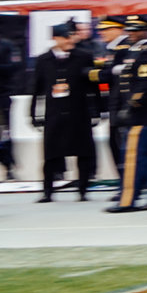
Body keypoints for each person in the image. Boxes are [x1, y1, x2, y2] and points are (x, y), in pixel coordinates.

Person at [93, 14, 147, 213]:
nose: (131, 34)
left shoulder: (144, 54)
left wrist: (129, 107)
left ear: (145, 31)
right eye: (129, 30)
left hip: (142, 115)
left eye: (135, 30)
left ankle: (127, 200)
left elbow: (145, 86)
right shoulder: (135, 52)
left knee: (132, 158)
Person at [32, 20, 98, 201]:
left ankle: (83, 190)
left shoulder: (83, 56)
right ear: (55, 38)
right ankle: (48, 192)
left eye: (72, 36)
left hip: (79, 112)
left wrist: (97, 111)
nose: (71, 40)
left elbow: (93, 87)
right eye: (66, 37)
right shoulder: (43, 60)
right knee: (51, 154)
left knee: (83, 152)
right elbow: (36, 89)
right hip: (54, 113)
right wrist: (34, 115)